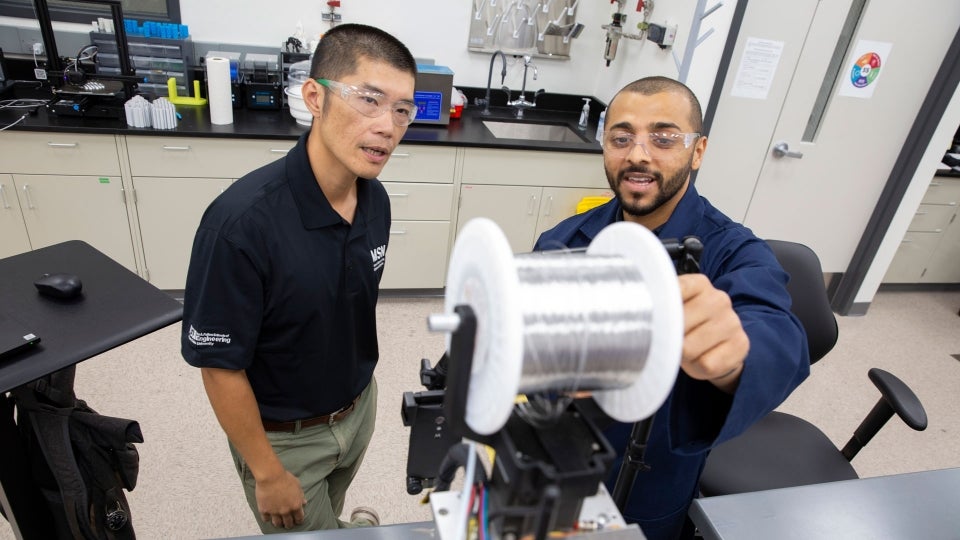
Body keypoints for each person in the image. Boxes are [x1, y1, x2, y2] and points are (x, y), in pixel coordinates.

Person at [534, 76, 810, 540]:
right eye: (621, 138)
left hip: (652, 480)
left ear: (697, 152)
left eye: (663, 138)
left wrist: (732, 356)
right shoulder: (563, 240)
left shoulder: (734, 251)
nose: (638, 154)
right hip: (559, 460)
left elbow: (780, 338)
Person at [180, 24, 418, 533]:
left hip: (356, 407)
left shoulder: (374, 199)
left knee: (326, 510)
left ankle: (335, 517)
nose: (388, 126)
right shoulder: (240, 225)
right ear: (315, 97)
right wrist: (268, 473)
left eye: (402, 109)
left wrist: (357, 406)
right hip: (285, 439)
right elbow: (219, 367)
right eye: (369, 100)